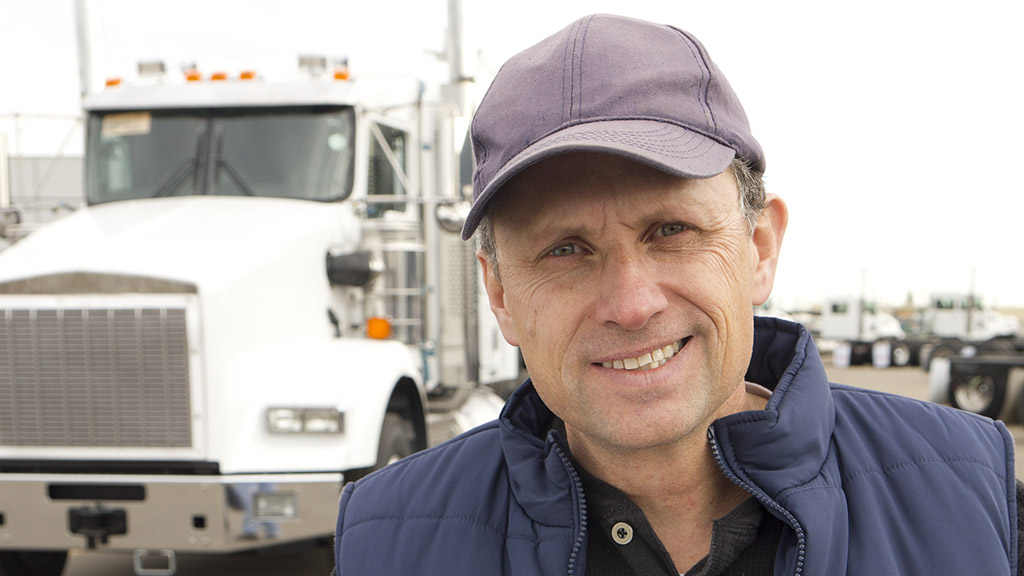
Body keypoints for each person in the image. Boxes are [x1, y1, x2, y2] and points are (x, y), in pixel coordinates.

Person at [334, 13, 1019, 575]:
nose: (631, 304)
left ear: (759, 249)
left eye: (672, 230)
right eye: (565, 250)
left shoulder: (972, 498)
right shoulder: (384, 543)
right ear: (501, 293)